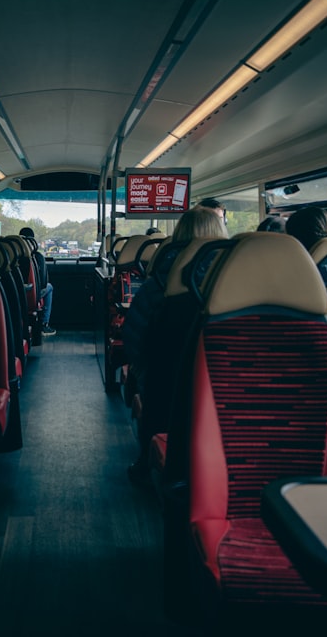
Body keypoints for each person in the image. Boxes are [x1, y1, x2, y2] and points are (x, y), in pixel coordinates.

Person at [124, 206, 227, 486]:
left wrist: (140, 370)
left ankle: (145, 461)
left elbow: (135, 333)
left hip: (164, 387)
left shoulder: (160, 279)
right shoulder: (237, 279)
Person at [19, 226, 55, 336]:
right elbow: (43, 282)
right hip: (32, 294)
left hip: (13, 294)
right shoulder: (38, 257)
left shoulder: (12, 255)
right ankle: (44, 324)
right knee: (49, 287)